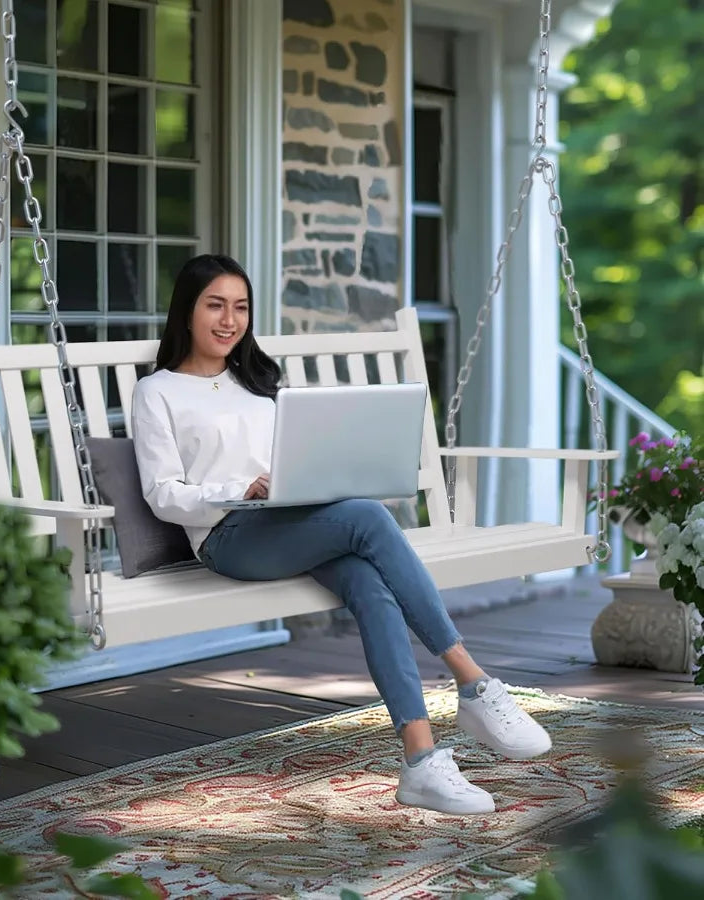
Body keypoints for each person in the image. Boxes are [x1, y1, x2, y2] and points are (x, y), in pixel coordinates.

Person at [131, 253, 551, 816]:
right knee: (369, 518)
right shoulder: (157, 392)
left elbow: (296, 457)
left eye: (241, 308)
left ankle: (421, 761)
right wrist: (239, 488)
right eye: (215, 306)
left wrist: (319, 473)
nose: (230, 320)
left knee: (370, 586)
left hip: (293, 520)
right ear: (187, 311)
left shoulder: (255, 381)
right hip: (228, 535)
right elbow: (162, 494)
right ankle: (472, 682)